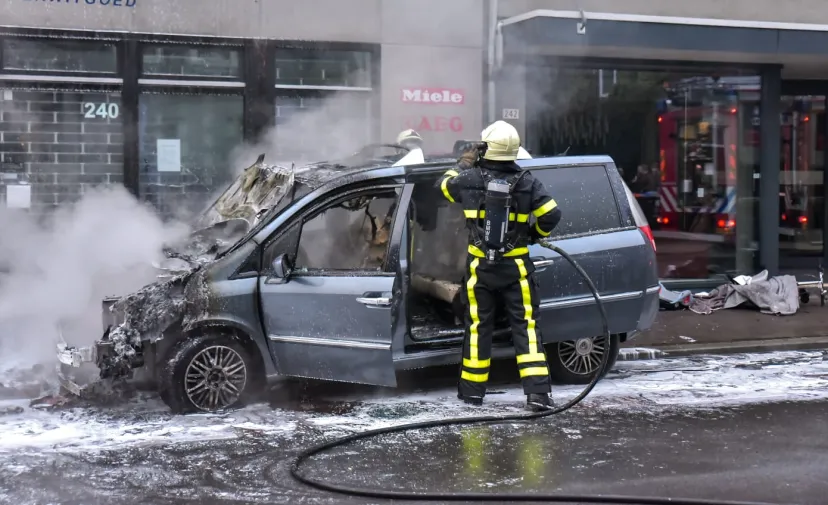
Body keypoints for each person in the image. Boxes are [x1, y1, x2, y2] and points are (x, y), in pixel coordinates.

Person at [435, 120, 562, 412]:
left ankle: (472, 394)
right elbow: (552, 214)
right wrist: (533, 235)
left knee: (478, 328)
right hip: (516, 267)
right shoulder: (528, 182)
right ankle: (538, 395)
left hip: (480, 269)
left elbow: (443, 186)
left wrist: (464, 161)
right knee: (526, 328)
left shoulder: (470, 179)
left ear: (485, 148)